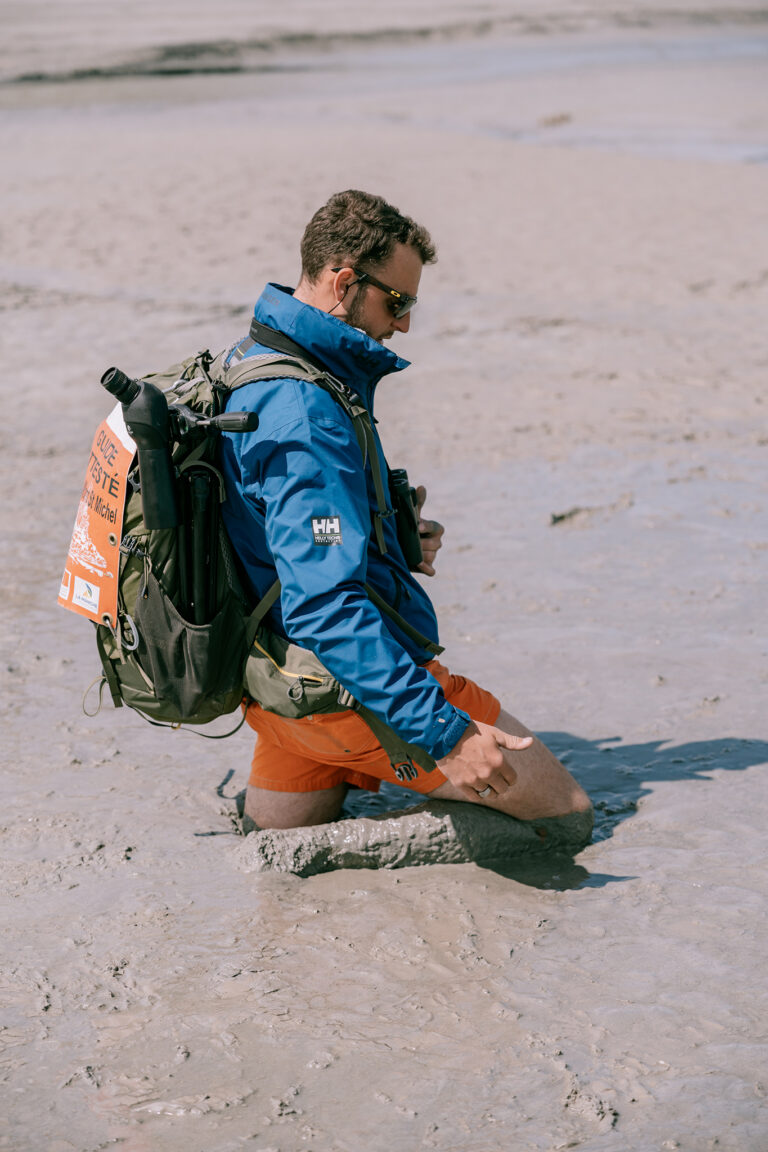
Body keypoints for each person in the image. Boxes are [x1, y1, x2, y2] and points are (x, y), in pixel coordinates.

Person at [220, 190, 591, 834]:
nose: (406, 323)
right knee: (565, 815)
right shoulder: (303, 412)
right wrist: (447, 733)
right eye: (399, 301)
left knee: (278, 841)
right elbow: (326, 606)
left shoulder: (251, 358)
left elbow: (278, 532)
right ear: (343, 283)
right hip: (333, 687)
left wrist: (389, 538)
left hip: (269, 684)